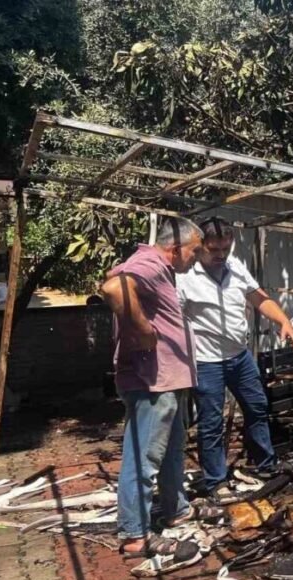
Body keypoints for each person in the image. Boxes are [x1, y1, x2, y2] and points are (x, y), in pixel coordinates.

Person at [100, 216, 208, 559]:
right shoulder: (149, 262)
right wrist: (144, 331)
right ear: (175, 248)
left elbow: (116, 279)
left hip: (166, 381)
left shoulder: (158, 268)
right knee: (144, 456)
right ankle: (135, 533)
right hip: (151, 383)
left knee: (172, 450)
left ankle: (176, 509)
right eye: (195, 251)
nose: (197, 258)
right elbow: (113, 287)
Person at [176, 217, 293, 500]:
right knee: (211, 422)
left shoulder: (235, 266)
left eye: (226, 248)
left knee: (257, 407)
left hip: (240, 357)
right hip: (206, 361)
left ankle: (265, 465)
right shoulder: (185, 276)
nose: (221, 255)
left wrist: (283, 320)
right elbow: (173, 318)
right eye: (214, 250)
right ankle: (215, 482)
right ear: (200, 246)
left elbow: (259, 298)